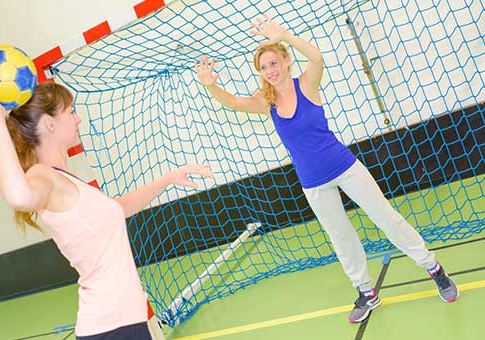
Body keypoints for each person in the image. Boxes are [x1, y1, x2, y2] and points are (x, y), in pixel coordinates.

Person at [194, 15, 458, 323]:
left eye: (273, 63)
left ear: (285, 61)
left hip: (345, 167)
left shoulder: (306, 83)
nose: (270, 71)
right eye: (264, 67)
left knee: (386, 218)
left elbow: (317, 57)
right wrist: (211, 85)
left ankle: (433, 269)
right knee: (342, 238)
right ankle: (366, 291)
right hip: (313, 183)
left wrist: (285, 35)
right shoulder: (267, 102)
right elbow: (234, 102)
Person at [0, 66, 214, 339]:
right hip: (110, 327)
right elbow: (19, 196)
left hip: (124, 321)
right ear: (50, 124)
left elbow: (117, 209)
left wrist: (167, 178)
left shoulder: (68, 181)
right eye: (70, 112)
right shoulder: (43, 175)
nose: (78, 119)